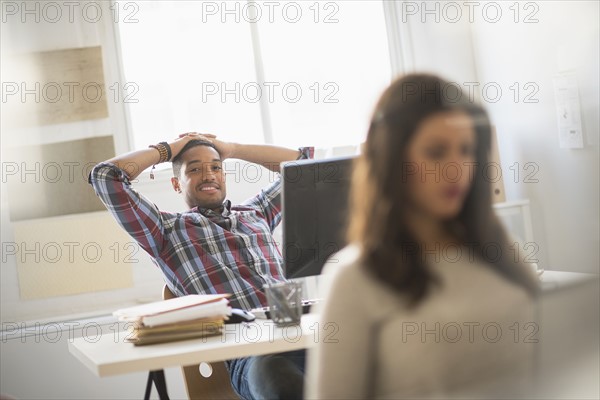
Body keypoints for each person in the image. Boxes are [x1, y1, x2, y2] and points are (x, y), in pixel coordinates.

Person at [305, 74, 541, 399]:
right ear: (393, 160)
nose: (457, 168)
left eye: (466, 149)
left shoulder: (498, 249)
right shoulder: (355, 278)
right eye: (436, 152)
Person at [89, 133, 313, 399]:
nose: (208, 175)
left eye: (215, 167)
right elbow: (105, 177)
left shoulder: (256, 213)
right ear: (176, 184)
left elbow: (303, 166)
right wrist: (170, 149)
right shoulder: (165, 232)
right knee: (279, 378)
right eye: (194, 169)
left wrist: (231, 148)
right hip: (253, 357)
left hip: (303, 335)